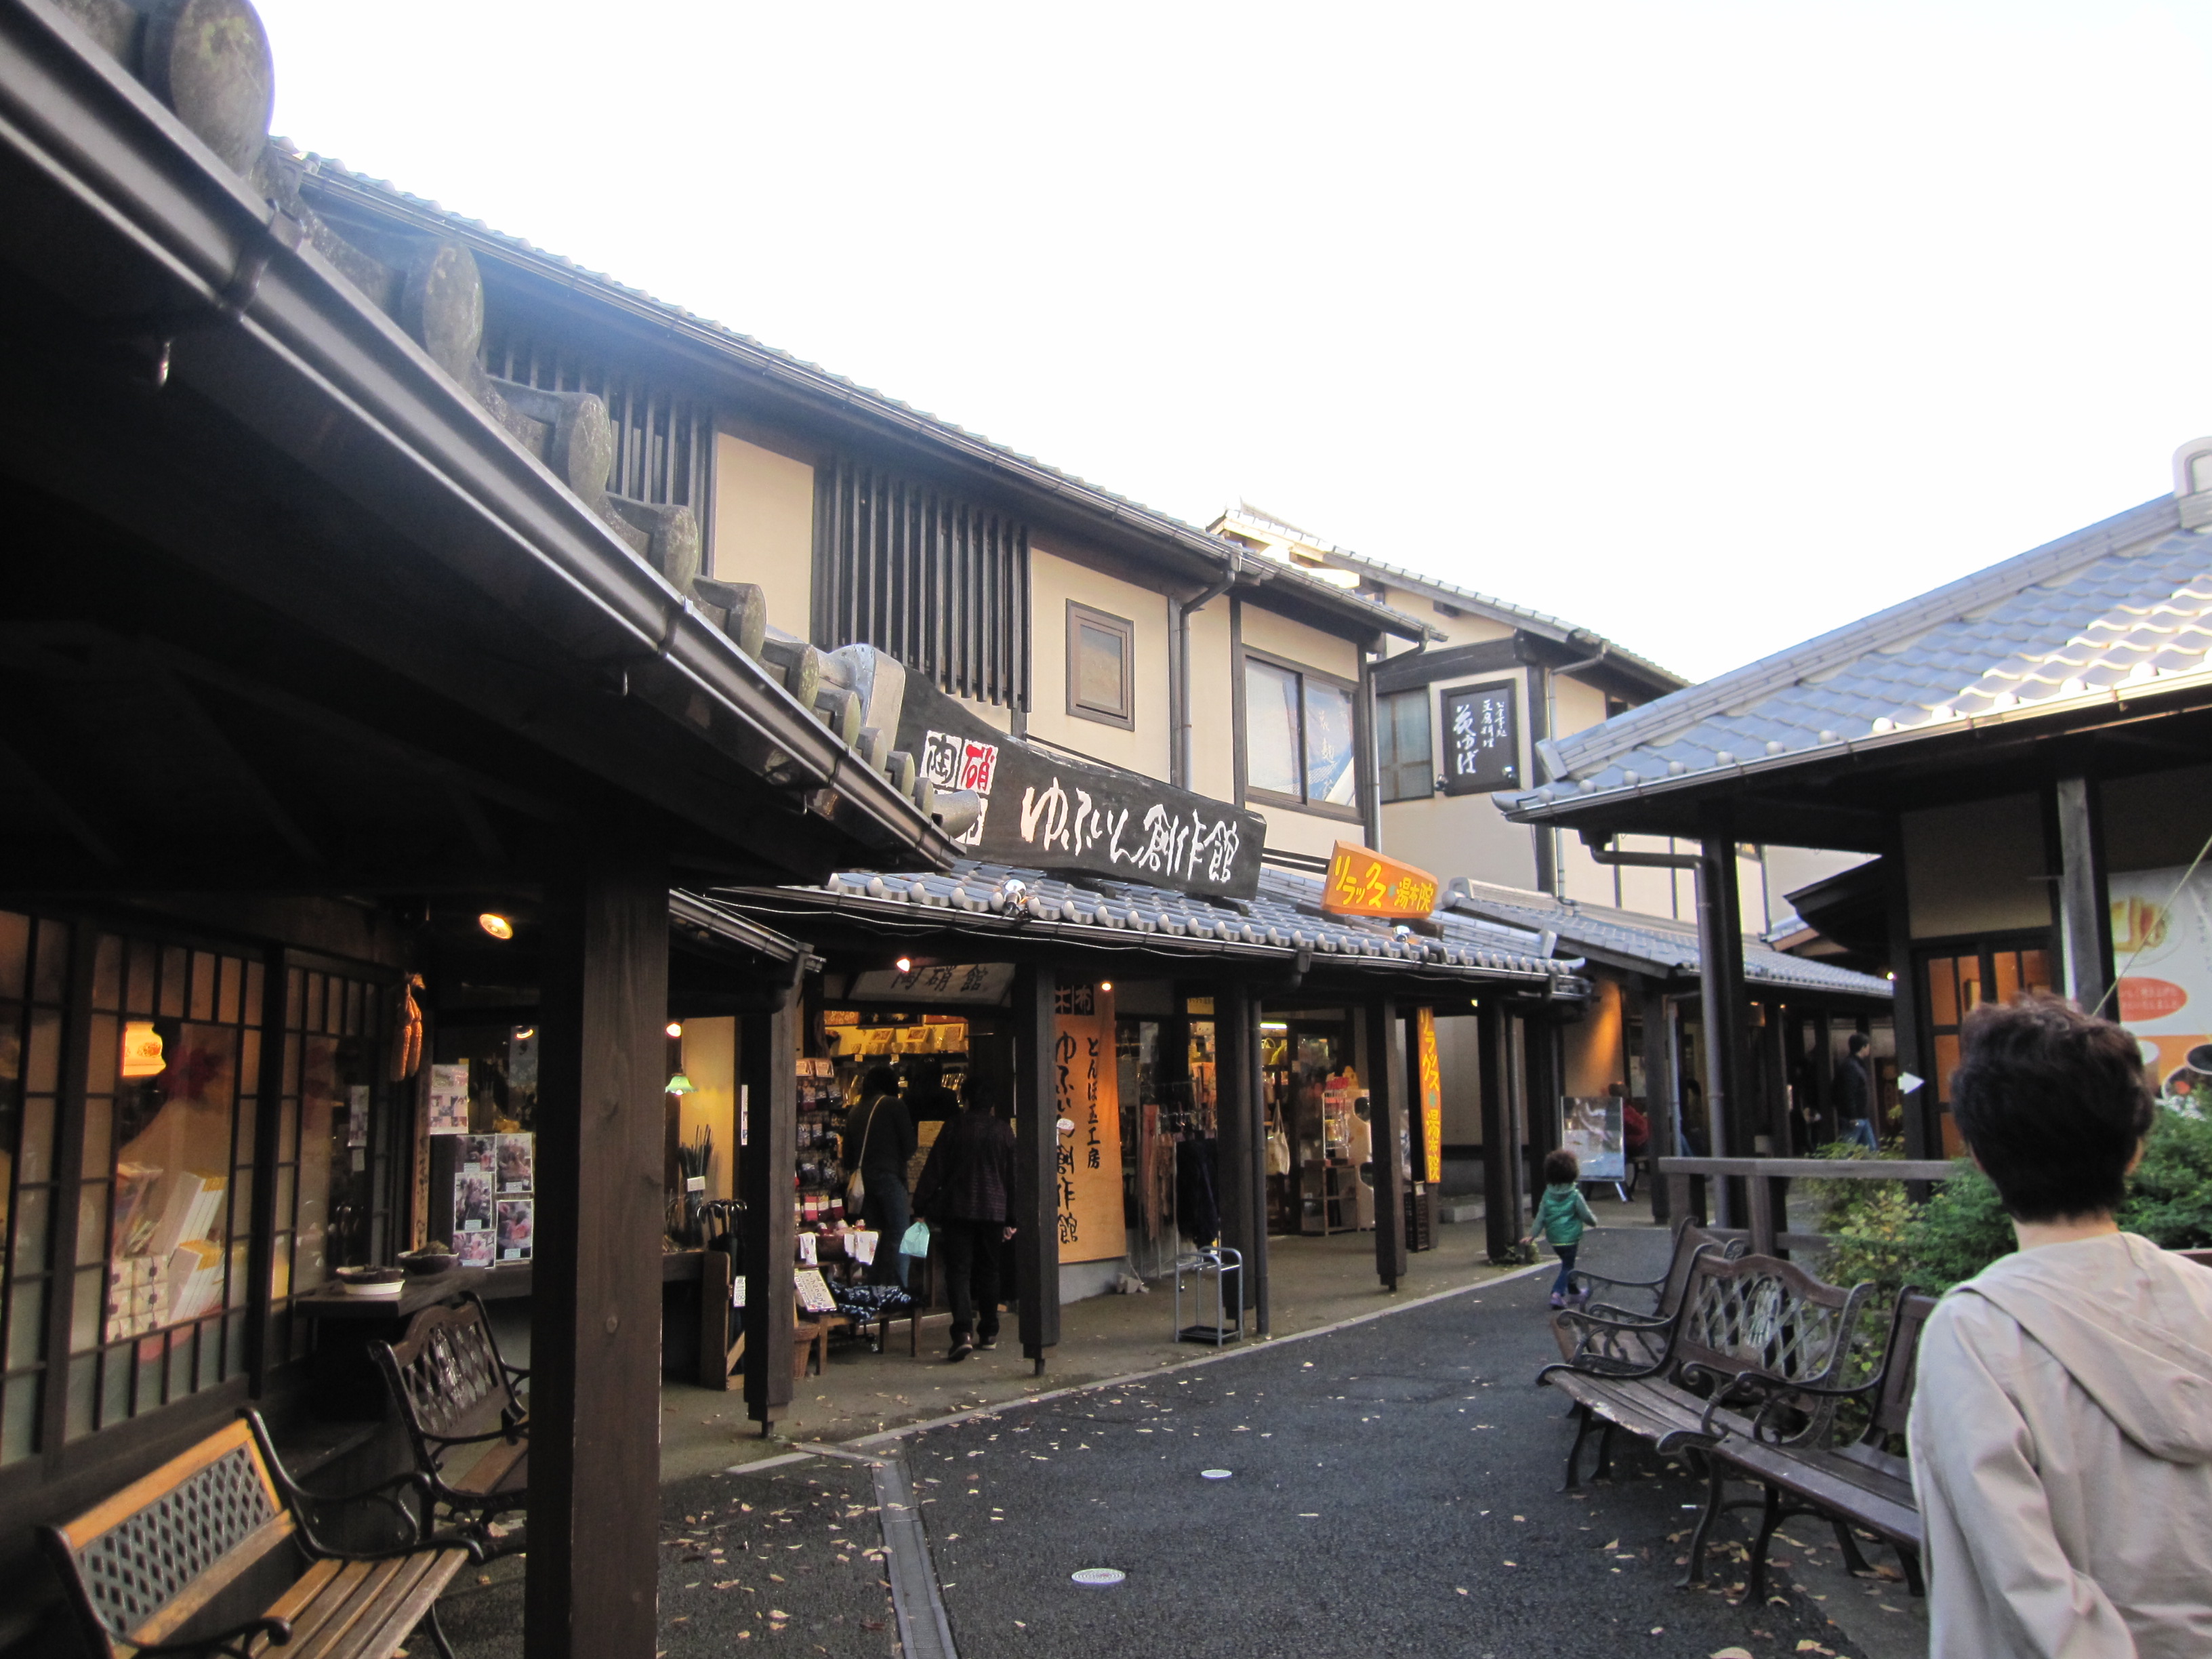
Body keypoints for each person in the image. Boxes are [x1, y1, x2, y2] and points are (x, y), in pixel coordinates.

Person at [1910, 994, 2212, 1658]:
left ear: (1982, 1157)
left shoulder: (1976, 1333)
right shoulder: (2204, 1295)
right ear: (2135, 1151)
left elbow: (2023, 1585)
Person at [912, 1078, 1016, 1361]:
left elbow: (935, 1168)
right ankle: (990, 1331)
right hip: (994, 1210)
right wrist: (1012, 1217)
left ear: (965, 1099)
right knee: (990, 1270)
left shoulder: (955, 1127)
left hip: (959, 1208)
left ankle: (962, 1333)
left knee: (959, 1271)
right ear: (992, 1104)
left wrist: (920, 1204)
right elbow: (1012, 1177)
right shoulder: (1004, 1132)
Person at [843, 1065, 917, 1288]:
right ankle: (897, 1290)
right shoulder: (894, 1105)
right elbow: (910, 1146)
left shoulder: (855, 1110)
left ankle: (873, 1288)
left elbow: (847, 1157)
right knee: (899, 1234)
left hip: (863, 1184)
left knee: (871, 1237)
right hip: (889, 1178)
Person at [1524, 1148, 1598, 1310]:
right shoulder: (1574, 1194)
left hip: (1555, 1239)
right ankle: (1557, 1294)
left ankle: (1575, 1292)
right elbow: (1585, 1214)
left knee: (1567, 1264)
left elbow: (1540, 1217)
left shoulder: (1547, 1194)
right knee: (1568, 1267)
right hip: (1571, 1238)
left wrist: (1532, 1235)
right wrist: (1593, 1222)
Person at [1833, 1031, 1879, 1149]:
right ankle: (1836, 1167)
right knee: (1845, 1150)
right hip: (1855, 1118)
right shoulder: (1851, 1066)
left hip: (1861, 1116)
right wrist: (1852, 1116)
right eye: (1868, 1046)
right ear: (1863, 1047)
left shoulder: (1855, 1065)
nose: (1869, 1049)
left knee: (1871, 1150)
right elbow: (1849, 1092)